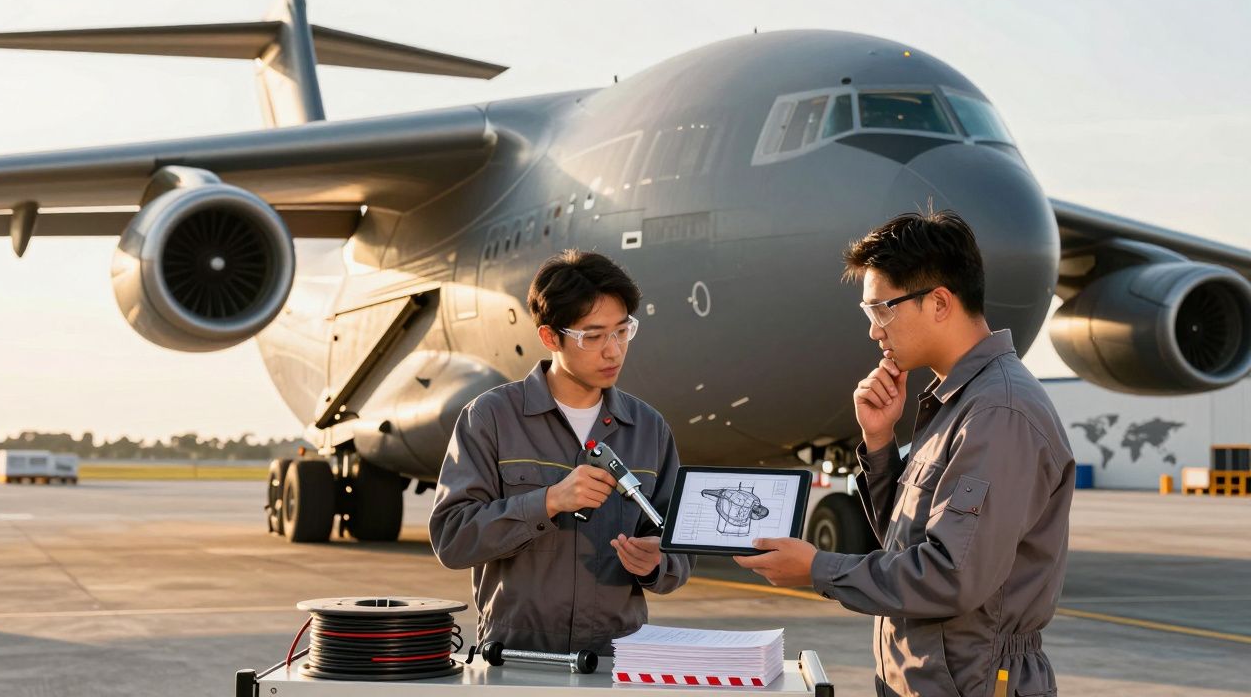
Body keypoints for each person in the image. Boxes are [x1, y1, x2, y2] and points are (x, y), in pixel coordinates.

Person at [734, 211, 1075, 697]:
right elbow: (911, 541)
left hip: (973, 684)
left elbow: (950, 576)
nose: (875, 330)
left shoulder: (998, 412)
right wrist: (879, 442)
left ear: (938, 302)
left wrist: (818, 569)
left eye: (882, 310)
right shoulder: (960, 403)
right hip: (933, 678)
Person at [430, 249, 693, 656]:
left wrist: (658, 563)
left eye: (622, 331)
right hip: (514, 659)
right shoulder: (491, 418)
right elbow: (453, 539)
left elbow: (679, 548)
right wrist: (549, 501)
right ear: (550, 337)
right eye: (593, 336)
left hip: (617, 662)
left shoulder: (649, 429)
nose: (614, 350)